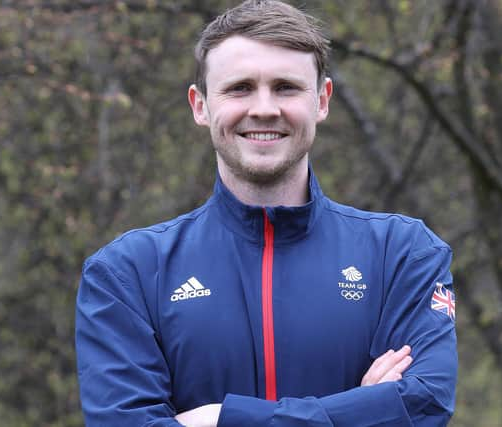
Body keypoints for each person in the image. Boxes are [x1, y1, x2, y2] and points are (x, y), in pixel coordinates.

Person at [75, 0, 458, 426]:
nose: (263, 108)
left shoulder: (403, 255)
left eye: (286, 87)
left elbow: (424, 405)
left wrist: (221, 418)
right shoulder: (127, 273)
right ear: (200, 105)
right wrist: (361, 410)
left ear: (322, 100)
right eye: (239, 88)